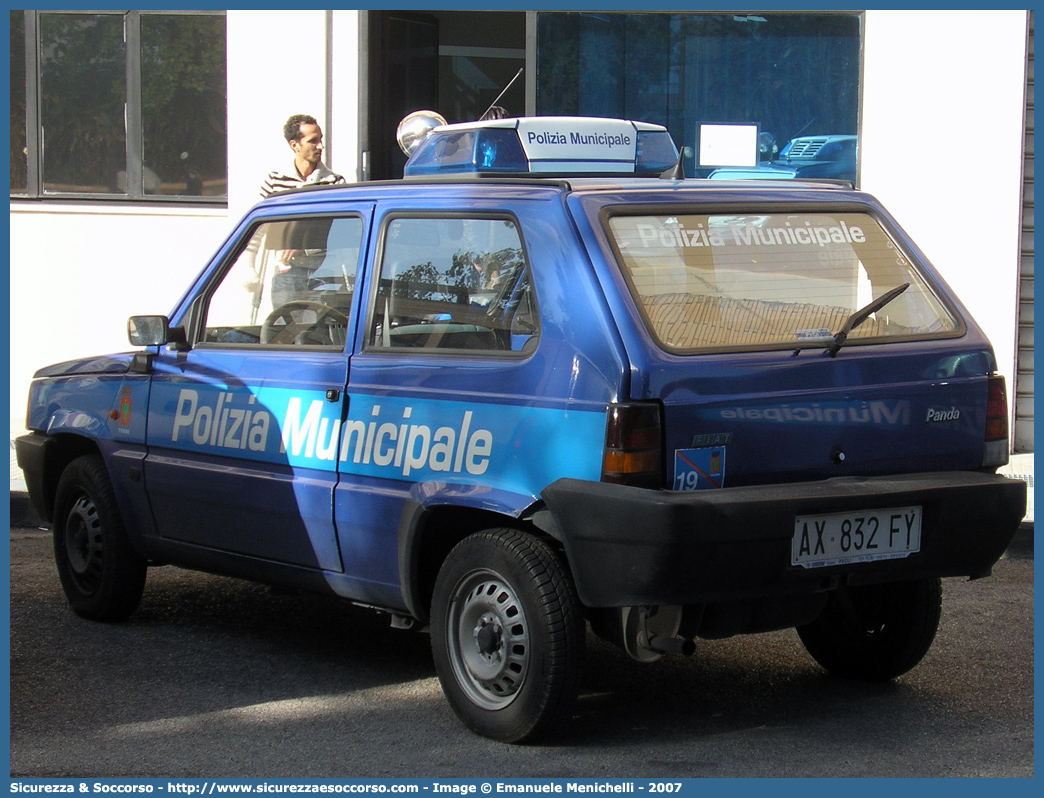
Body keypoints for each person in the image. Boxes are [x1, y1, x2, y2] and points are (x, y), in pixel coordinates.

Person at [259, 114, 345, 198]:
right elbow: (263, 212)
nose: (320, 146)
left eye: (320, 139)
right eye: (313, 141)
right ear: (294, 145)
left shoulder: (335, 182)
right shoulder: (274, 181)